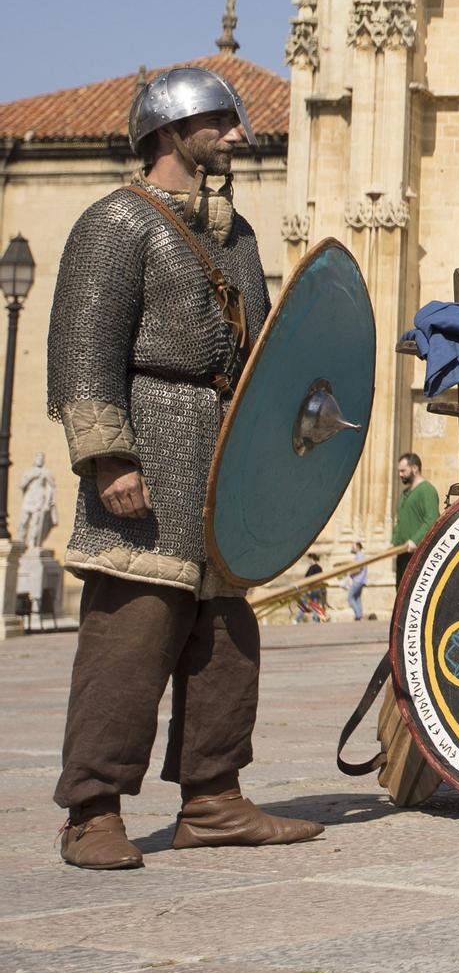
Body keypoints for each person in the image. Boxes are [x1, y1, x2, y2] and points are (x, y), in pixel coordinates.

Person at [45, 66, 322, 870]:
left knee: (227, 637)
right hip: (150, 445)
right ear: (169, 132)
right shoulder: (117, 223)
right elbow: (83, 349)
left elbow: (264, 353)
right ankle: (92, 811)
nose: (239, 134)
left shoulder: (236, 237)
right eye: (220, 122)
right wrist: (107, 456)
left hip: (224, 460)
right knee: (131, 638)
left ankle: (214, 798)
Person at [391, 452, 438, 583]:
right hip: (403, 553)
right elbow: (400, 522)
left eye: (403, 470)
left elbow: (432, 519)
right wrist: (394, 543)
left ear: (415, 468)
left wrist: (415, 541)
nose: (400, 474)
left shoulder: (427, 490)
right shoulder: (405, 493)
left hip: (417, 556)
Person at [17, 451, 57, 549]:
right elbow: (21, 485)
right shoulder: (29, 472)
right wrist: (31, 477)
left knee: (35, 523)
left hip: (39, 500)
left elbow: (51, 487)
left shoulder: (45, 472)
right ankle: (20, 540)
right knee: (23, 521)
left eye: (42, 459)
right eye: (38, 458)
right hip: (28, 498)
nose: (40, 460)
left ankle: (32, 543)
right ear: (34, 460)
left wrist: (48, 502)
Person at [344, 542, 368, 620]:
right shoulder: (361, 555)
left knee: (350, 597)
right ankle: (360, 615)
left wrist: (349, 573)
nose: (352, 548)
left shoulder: (359, 556)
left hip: (358, 580)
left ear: (357, 547)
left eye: (353, 546)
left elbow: (358, 568)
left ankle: (358, 615)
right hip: (361, 580)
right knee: (357, 598)